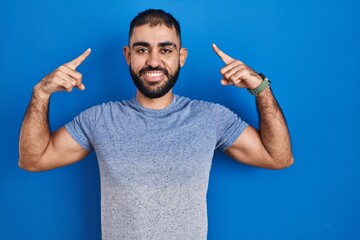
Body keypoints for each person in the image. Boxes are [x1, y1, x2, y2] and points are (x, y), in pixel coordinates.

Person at [19, 9, 293, 240]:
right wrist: (41, 94)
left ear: (181, 57)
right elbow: (33, 160)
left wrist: (261, 89)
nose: (153, 61)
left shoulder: (211, 118)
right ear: (128, 56)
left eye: (165, 49)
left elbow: (278, 157)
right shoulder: (99, 119)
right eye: (142, 49)